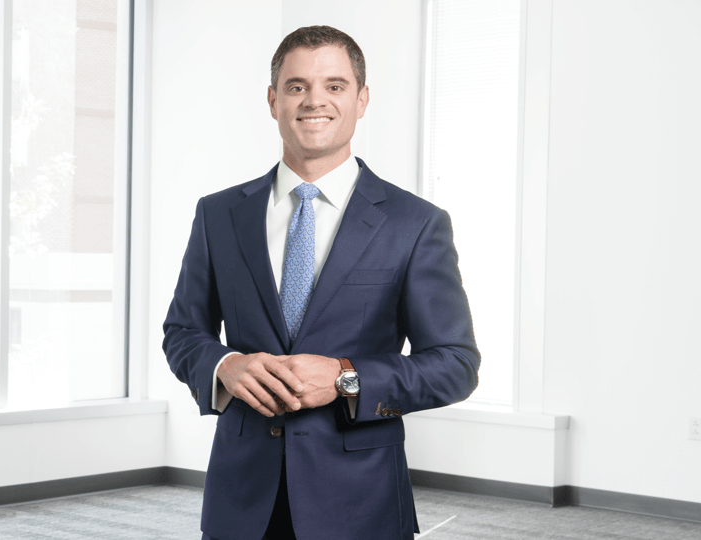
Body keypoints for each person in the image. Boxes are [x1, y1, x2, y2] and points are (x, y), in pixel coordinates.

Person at [162, 25, 480, 540]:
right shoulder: (219, 214)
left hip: (359, 501)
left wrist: (342, 378)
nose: (315, 101)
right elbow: (182, 331)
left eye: (334, 86)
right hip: (241, 500)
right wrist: (226, 365)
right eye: (296, 87)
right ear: (272, 100)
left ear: (362, 99)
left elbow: (455, 364)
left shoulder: (414, 223)